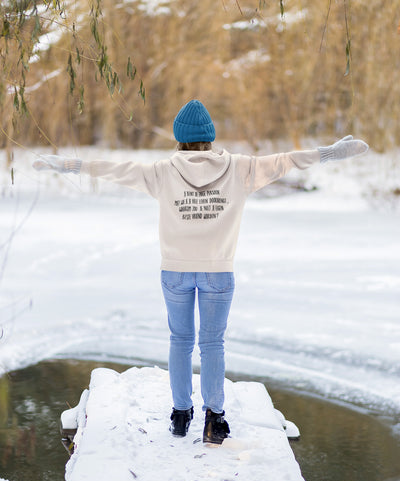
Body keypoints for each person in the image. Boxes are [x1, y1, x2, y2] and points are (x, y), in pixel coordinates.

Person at [32, 99, 368, 444]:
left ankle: (180, 415)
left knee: (180, 341)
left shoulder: (162, 171)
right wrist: (330, 153)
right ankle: (215, 419)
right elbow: (287, 161)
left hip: (175, 271)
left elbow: (114, 169)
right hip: (218, 272)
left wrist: (68, 164)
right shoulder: (241, 168)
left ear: (179, 138)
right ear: (210, 136)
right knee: (212, 344)